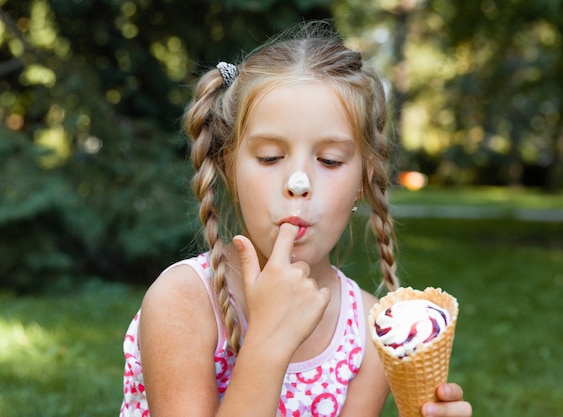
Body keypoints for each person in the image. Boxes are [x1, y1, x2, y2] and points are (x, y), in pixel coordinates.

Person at [120, 20, 472, 417]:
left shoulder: (369, 332)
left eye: (330, 160)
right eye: (270, 157)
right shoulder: (183, 302)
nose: (299, 183)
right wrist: (269, 341)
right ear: (229, 166)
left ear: (363, 179)